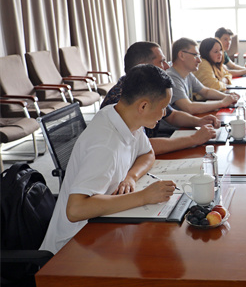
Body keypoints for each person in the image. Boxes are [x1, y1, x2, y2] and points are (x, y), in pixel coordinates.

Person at [41, 65, 177, 255]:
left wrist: (131, 177)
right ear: (143, 106)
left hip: (103, 226)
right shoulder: (105, 145)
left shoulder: (123, 116)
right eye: (163, 108)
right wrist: (144, 197)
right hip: (74, 246)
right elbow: (75, 209)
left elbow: (147, 154)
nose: (164, 114)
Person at [101, 41, 219, 155]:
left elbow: (172, 115)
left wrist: (199, 122)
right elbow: (140, 147)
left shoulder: (148, 89)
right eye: (161, 62)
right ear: (142, 67)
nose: (167, 66)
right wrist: (194, 139)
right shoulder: (122, 98)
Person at [167, 37, 239, 114]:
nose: (199, 60)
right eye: (195, 55)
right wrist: (222, 103)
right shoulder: (172, 78)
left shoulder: (188, 74)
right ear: (182, 55)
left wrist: (227, 97)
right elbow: (189, 107)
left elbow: (206, 91)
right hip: (180, 121)